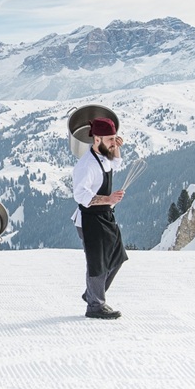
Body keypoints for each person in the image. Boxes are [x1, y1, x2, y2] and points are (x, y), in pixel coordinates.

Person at [71, 117, 128, 319]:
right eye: (110, 139)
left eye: (115, 138)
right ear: (96, 139)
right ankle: (95, 305)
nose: (114, 142)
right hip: (89, 219)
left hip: (105, 215)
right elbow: (80, 195)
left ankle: (92, 294)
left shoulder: (104, 156)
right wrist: (108, 198)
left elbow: (117, 163)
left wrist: (116, 147)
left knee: (117, 257)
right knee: (98, 262)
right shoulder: (86, 165)